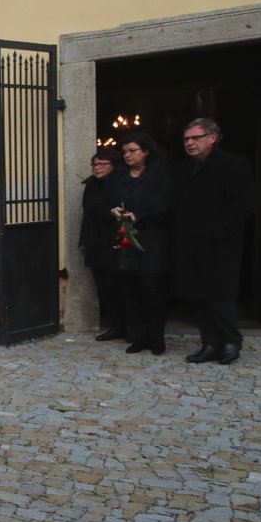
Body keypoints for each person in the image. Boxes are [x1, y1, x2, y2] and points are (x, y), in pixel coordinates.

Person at [170, 118, 255, 364]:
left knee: (220, 296)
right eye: (186, 139)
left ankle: (230, 341)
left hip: (221, 243)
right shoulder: (180, 168)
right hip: (188, 243)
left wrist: (220, 232)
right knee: (195, 295)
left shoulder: (234, 164)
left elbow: (243, 204)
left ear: (213, 137)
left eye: (195, 138)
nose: (190, 143)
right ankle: (209, 342)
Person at [104, 132, 172, 355]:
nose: (127, 155)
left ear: (146, 151)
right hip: (125, 241)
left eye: (132, 151)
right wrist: (114, 210)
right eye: (124, 152)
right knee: (129, 291)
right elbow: (106, 200)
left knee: (153, 292)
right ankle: (138, 336)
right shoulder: (118, 176)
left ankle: (156, 338)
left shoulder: (160, 174)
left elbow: (166, 206)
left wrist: (140, 215)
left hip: (152, 241)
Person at [79, 150, 126, 341]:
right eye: (94, 164)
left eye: (102, 164)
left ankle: (128, 326)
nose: (97, 168)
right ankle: (116, 326)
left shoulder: (120, 183)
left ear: (113, 165)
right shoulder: (91, 185)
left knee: (119, 286)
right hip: (95, 239)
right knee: (104, 287)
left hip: (114, 239)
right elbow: (89, 208)